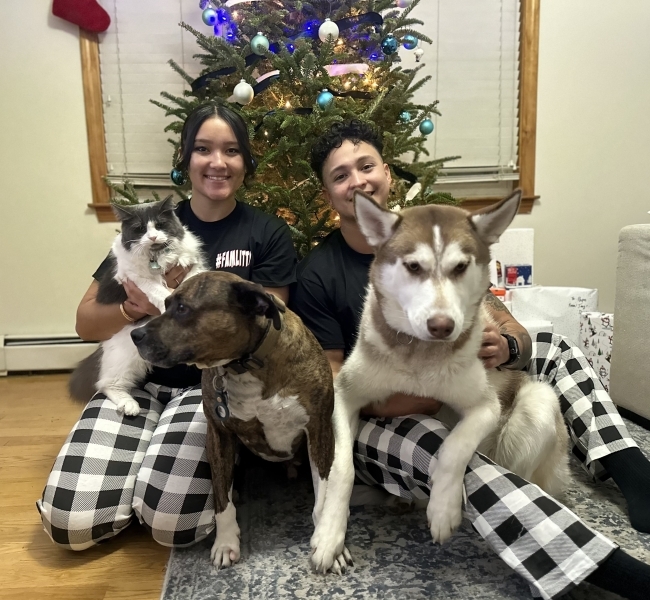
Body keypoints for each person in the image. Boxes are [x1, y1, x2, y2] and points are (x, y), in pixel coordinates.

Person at [291, 119, 650, 599]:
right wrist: (417, 393)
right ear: (329, 192)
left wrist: (508, 345)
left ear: (387, 172)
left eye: (366, 165)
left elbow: (500, 317)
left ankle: (631, 469)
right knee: (434, 446)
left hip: (464, 383)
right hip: (392, 415)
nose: (357, 180)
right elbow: (331, 382)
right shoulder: (319, 272)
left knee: (556, 348)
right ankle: (611, 571)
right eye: (340, 175)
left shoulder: (440, 230)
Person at [37, 103, 297, 549]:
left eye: (231, 150)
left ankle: (157, 471)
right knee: (69, 521)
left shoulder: (265, 234)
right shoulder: (146, 227)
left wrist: (177, 306)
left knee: (171, 524)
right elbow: (85, 322)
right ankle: (134, 461)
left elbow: (266, 330)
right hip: (138, 382)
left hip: (206, 387)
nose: (217, 162)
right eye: (203, 149)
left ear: (246, 161)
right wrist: (133, 309)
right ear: (185, 158)